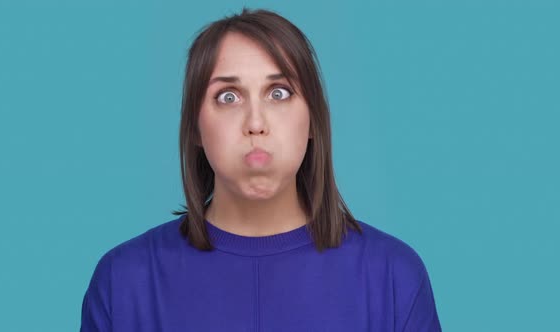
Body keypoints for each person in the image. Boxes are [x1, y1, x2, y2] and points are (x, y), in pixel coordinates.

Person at [80, 7, 442, 332]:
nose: (255, 122)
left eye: (279, 92)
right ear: (194, 128)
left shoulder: (393, 276)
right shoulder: (123, 281)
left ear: (314, 120)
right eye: (228, 97)